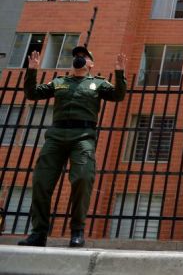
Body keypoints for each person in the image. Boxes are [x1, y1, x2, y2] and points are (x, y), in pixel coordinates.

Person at [18, 46, 127, 248]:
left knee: (83, 178)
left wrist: (120, 73)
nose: (79, 58)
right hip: (56, 137)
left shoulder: (98, 83)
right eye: (77, 56)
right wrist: (32, 70)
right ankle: (38, 233)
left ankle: (77, 231)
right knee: (41, 181)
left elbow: (118, 96)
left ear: (90, 64)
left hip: (83, 137)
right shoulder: (60, 82)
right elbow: (32, 94)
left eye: (84, 56)